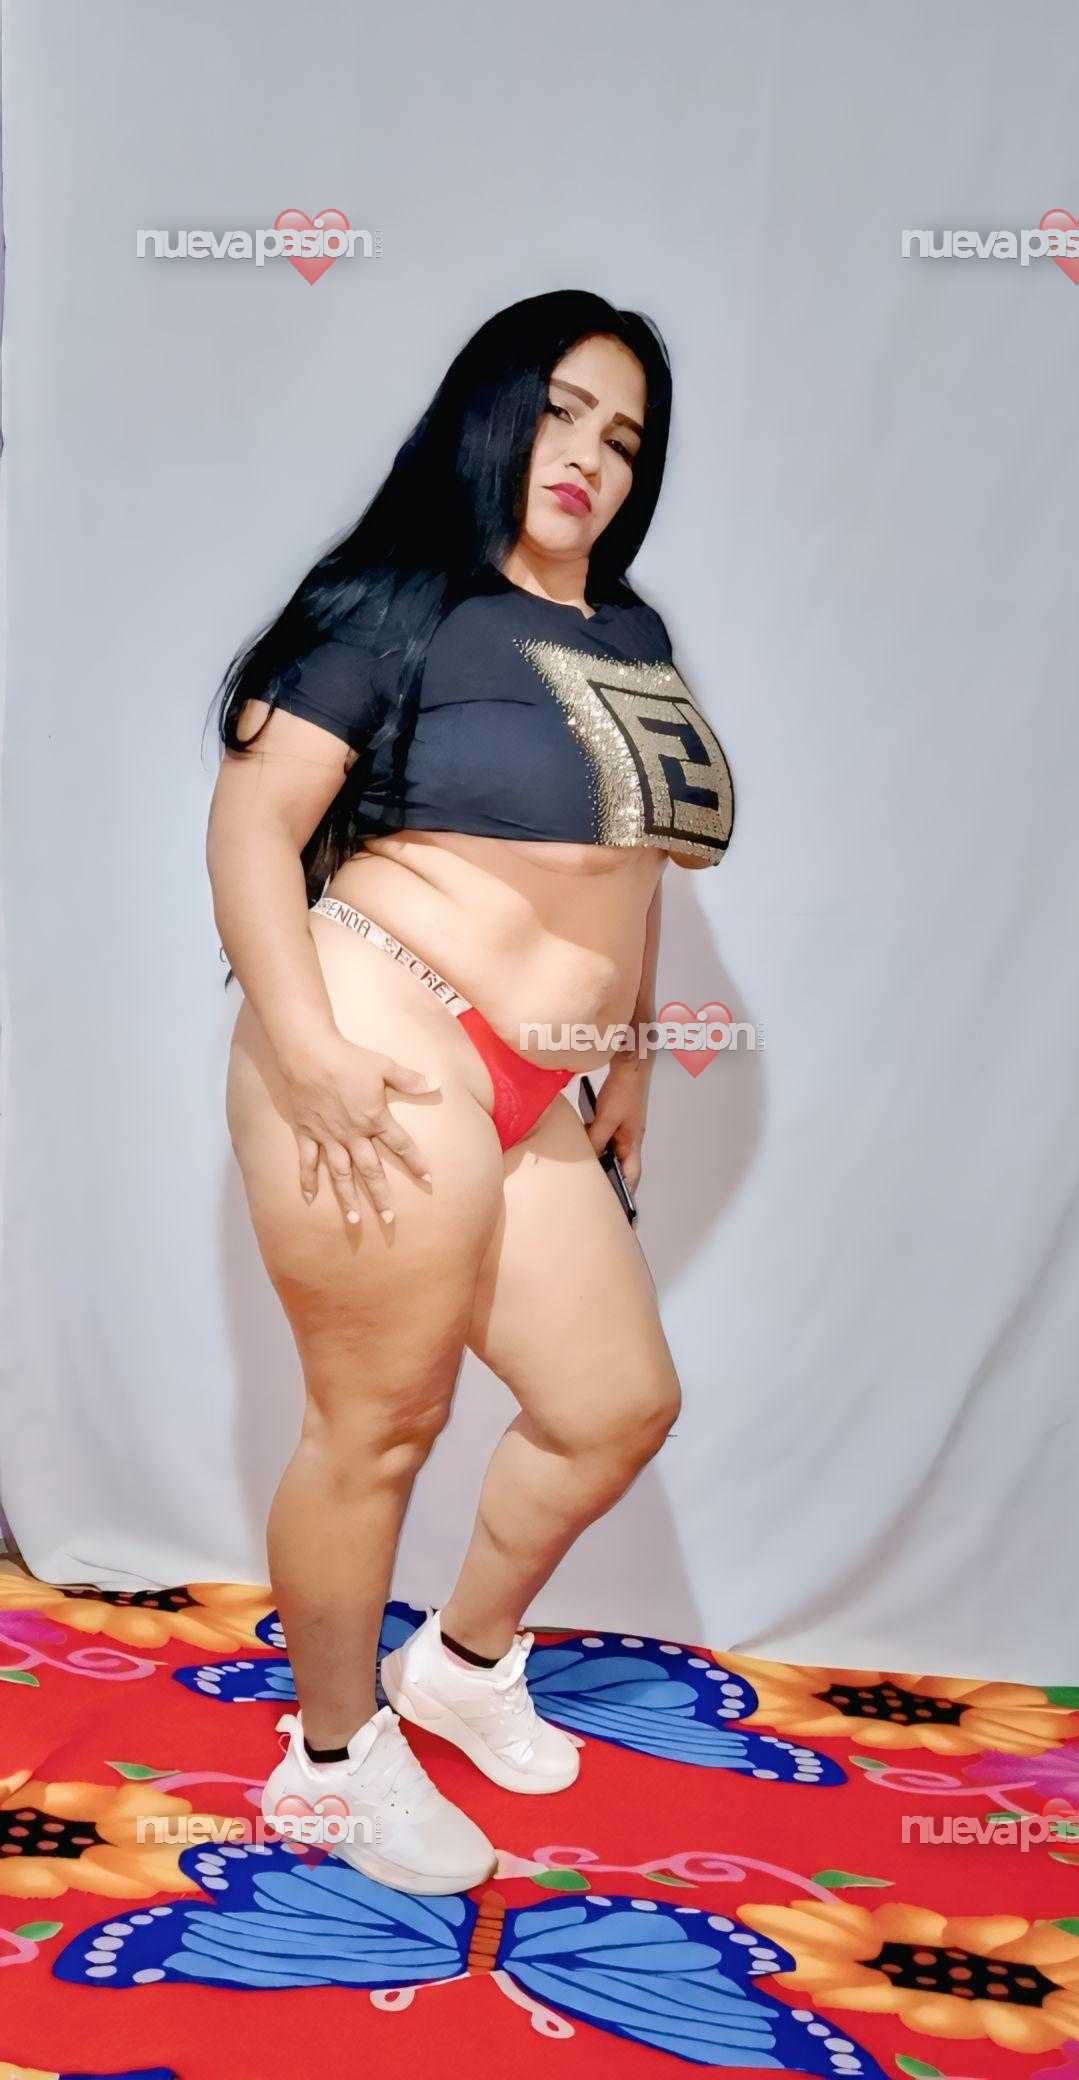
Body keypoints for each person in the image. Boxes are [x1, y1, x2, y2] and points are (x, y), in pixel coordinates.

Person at [204, 289, 734, 1895]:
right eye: (561, 410)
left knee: (613, 1405)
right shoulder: (402, 600)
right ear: (495, 411)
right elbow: (253, 820)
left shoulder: (632, 635)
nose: (590, 457)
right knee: (381, 1421)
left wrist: (628, 1052)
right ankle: (328, 1763)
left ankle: (459, 1665)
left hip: (534, 1082)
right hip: (387, 1017)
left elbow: (633, 862)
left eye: (624, 438)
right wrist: (305, 1042)